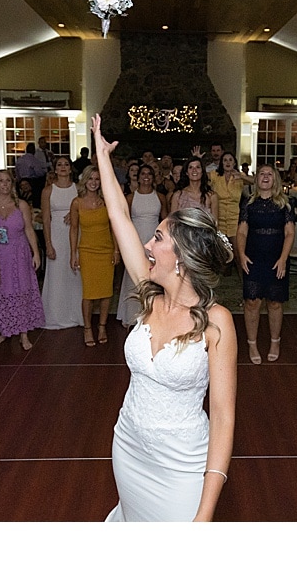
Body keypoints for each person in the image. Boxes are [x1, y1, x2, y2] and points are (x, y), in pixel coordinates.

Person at [91, 113, 236, 523]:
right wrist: (102, 156)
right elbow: (119, 214)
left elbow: (224, 418)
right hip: (129, 445)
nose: (147, 245)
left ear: (182, 260)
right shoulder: (149, 295)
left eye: (157, 238)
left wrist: (204, 514)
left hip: (181, 465)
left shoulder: (216, 322)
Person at [0, 170, 44, 350]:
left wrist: (36, 253)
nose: (5, 184)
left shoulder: (21, 205)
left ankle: (23, 333)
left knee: (21, 290)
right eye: (1, 181)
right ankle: (4, 327)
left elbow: (29, 229)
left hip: (18, 253)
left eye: (8, 181)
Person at [236, 164, 294, 364]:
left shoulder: (285, 204)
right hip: (253, 258)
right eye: (262, 173)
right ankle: (252, 344)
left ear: (275, 179)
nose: (266, 176)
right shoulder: (248, 204)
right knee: (252, 302)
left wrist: (283, 259)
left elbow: (289, 233)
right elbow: (242, 232)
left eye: (270, 174)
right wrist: (241, 254)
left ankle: (275, 341)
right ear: (256, 178)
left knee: (275, 302)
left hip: (277, 259)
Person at [70, 166, 119, 346]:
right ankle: (87, 328)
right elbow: (74, 229)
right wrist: (73, 253)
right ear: (85, 181)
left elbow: (114, 227)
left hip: (106, 250)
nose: (93, 182)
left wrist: (116, 250)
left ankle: (102, 326)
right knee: (89, 294)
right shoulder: (76, 202)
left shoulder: (107, 201)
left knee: (106, 292)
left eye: (97, 179)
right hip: (87, 251)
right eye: (90, 179)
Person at [116, 164, 167, 328]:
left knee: (154, 277)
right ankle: (131, 315)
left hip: (154, 240)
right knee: (133, 277)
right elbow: (124, 222)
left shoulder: (160, 197)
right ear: (137, 177)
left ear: (153, 177)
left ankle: (152, 314)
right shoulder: (131, 198)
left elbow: (165, 220)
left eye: (149, 174)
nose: (146, 177)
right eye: (143, 173)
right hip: (136, 240)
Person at [41, 155, 83, 330]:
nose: (63, 167)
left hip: (76, 234)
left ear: (70, 168)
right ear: (55, 169)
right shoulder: (48, 191)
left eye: (66, 164)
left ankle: (76, 314)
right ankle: (56, 315)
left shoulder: (78, 189)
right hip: (57, 234)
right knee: (57, 275)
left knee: (75, 274)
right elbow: (45, 219)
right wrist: (48, 244)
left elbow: (87, 207)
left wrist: (74, 213)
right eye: (60, 165)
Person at [209, 151, 253, 240]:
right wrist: (197, 159)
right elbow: (199, 176)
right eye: (225, 160)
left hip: (234, 220)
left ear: (234, 163)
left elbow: (256, 181)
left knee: (236, 250)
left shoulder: (240, 176)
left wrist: (241, 177)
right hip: (218, 219)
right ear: (221, 163)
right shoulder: (215, 174)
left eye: (230, 160)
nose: (228, 162)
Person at [14, 143, 45, 209]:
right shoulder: (34, 160)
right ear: (33, 151)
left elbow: (16, 171)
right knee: (35, 197)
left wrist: (20, 181)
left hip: (21, 181)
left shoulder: (20, 159)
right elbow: (39, 173)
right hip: (32, 181)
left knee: (21, 197)